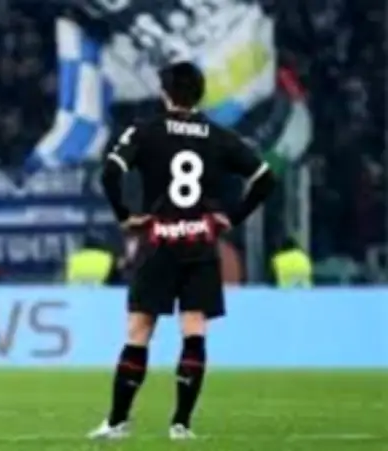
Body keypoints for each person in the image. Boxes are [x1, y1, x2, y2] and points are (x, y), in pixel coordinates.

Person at [88, 62, 275, 440]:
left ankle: (117, 422)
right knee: (194, 331)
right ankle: (181, 424)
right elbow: (264, 179)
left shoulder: (145, 131)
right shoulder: (220, 136)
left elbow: (109, 173)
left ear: (165, 93)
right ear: (200, 94)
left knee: (139, 331)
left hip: (158, 241)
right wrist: (233, 218)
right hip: (200, 244)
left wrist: (125, 216)